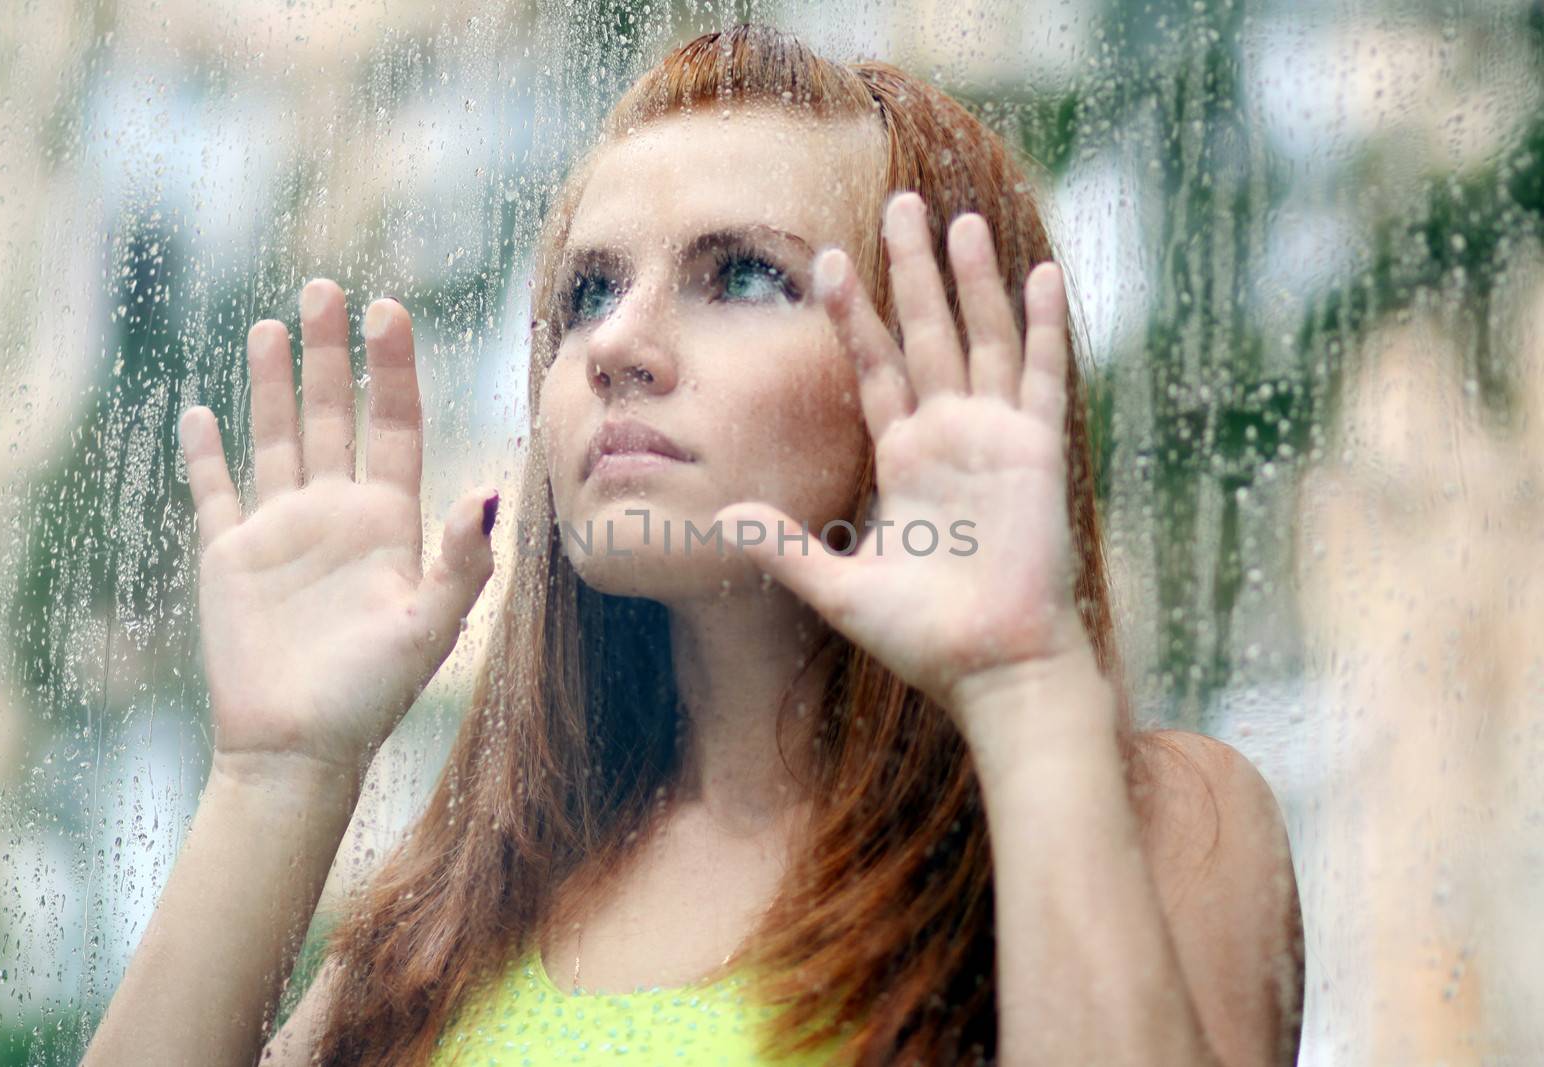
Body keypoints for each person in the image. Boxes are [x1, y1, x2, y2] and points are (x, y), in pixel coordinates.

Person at [82, 23, 1302, 1067]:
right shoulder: (454, 915)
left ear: (935, 364)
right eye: (587, 292)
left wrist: (1026, 691)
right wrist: (278, 771)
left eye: (745, 276)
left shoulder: (1160, 818)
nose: (618, 344)